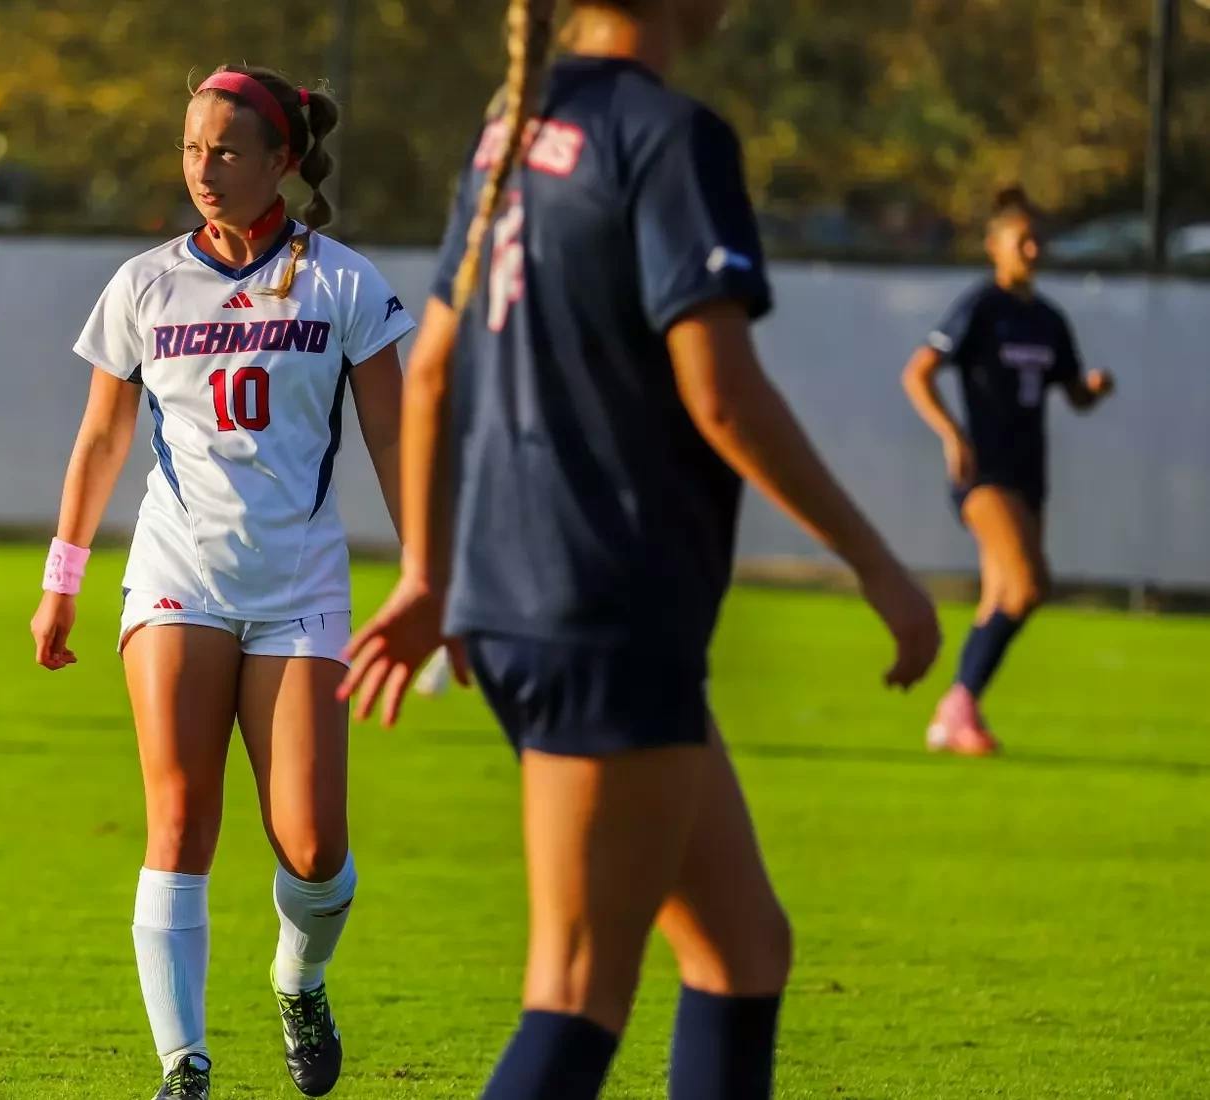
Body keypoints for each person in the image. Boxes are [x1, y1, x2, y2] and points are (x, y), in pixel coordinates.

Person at [338, 2, 941, 1097]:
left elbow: (430, 372)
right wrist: (877, 563)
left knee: (742, 950)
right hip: (604, 607)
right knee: (573, 993)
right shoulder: (666, 133)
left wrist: (432, 572)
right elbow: (722, 396)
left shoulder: (515, 124)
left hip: (530, 599)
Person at [28, 65, 413, 1100]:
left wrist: (429, 568)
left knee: (312, 841)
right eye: (193, 148)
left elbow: (391, 432)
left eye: (229, 151)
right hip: (176, 575)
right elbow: (103, 437)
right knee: (181, 815)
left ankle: (300, 976)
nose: (205, 169)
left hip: (299, 587)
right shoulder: (145, 282)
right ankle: (183, 1064)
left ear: (284, 162)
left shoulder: (343, 282)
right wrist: (62, 579)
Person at [902, 186, 1114, 756]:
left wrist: (1093, 389)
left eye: (1038, 239)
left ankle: (956, 713)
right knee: (1027, 586)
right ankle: (957, 706)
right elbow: (917, 373)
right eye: (1021, 240)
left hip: (1029, 472)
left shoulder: (1048, 319)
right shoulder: (981, 308)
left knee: (1004, 596)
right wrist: (951, 435)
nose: (1033, 249)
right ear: (994, 246)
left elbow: (1072, 394)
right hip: (983, 471)